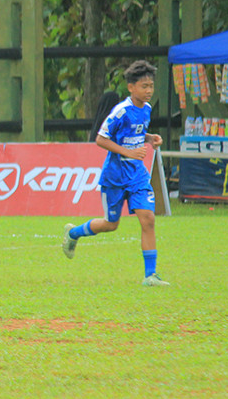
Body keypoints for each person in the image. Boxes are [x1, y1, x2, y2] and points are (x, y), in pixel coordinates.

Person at [60, 60, 169, 286]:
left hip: (137, 175)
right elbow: (101, 139)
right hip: (115, 176)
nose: (149, 91)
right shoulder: (120, 111)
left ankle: (151, 275)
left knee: (148, 219)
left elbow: (138, 132)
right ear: (131, 87)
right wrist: (127, 151)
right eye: (144, 86)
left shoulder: (146, 109)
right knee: (111, 224)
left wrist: (150, 138)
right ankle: (74, 234)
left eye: (151, 86)